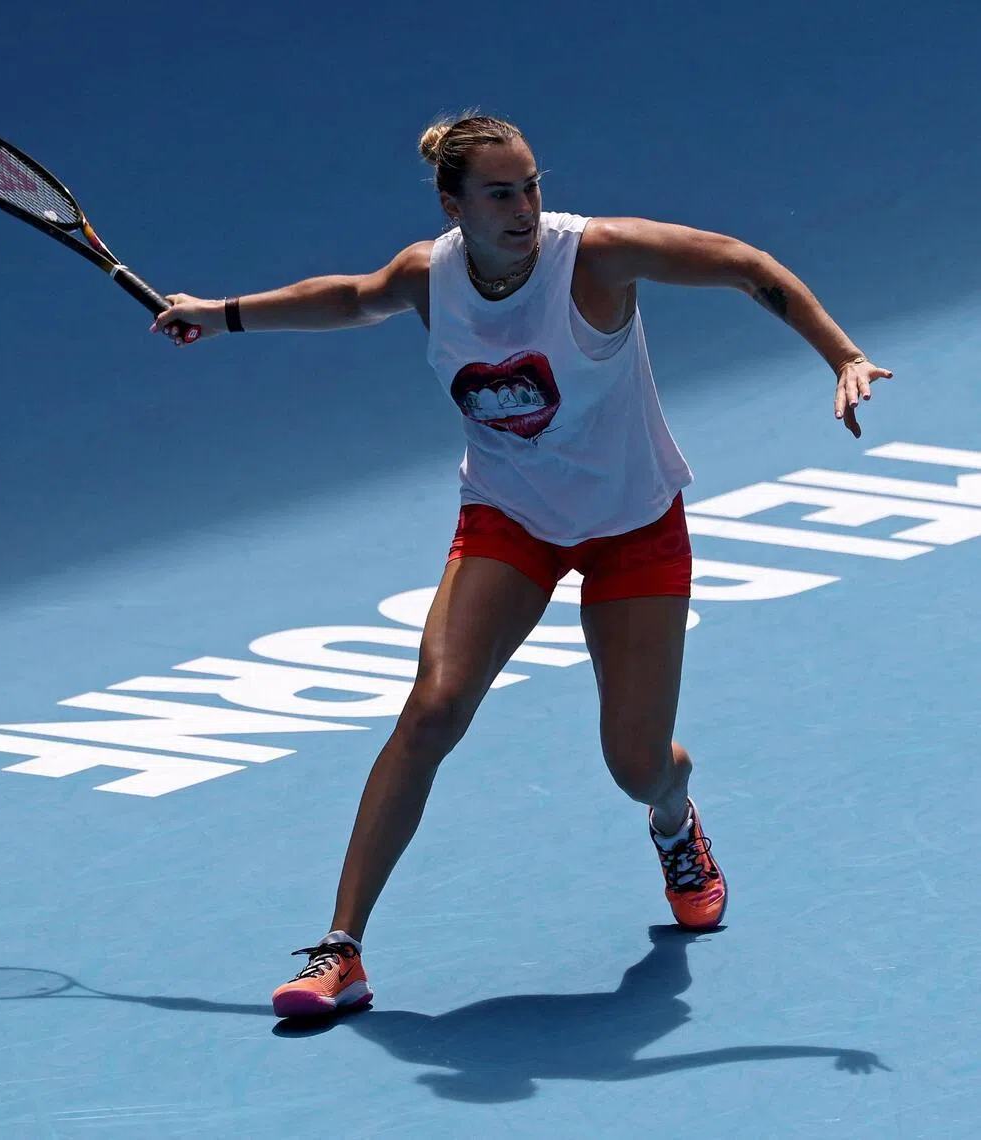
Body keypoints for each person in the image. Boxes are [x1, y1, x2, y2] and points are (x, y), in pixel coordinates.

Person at [151, 114, 892, 1020]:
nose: (525, 207)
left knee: (635, 763)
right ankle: (341, 950)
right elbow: (347, 296)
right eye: (501, 192)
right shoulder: (429, 275)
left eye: (532, 185)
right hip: (510, 519)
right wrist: (220, 316)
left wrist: (843, 354)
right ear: (451, 203)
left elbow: (741, 261)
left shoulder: (595, 258)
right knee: (432, 707)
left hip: (633, 526)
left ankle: (674, 817)